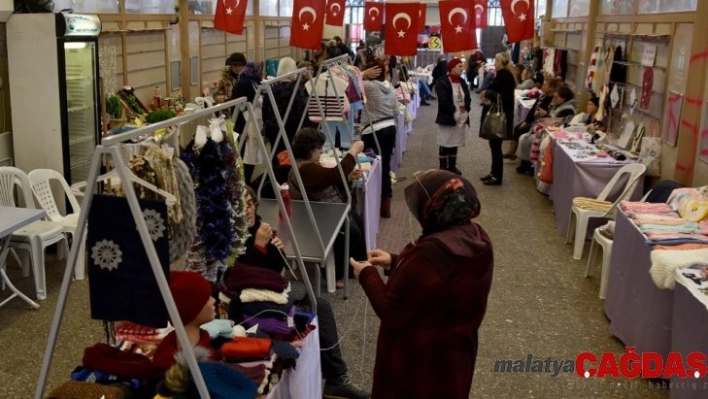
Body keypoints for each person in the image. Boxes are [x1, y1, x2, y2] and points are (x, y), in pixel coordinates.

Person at [349, 169, 493, 399]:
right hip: (456, 357)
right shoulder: (475, 236)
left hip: (418, 362)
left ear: (433, 207)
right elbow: (439, 280)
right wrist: (395, 261)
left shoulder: (432, 252)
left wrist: (366, 273)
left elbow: (391, 310)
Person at [223, 186, 370, 399]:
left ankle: (336, 377)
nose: (248, 209)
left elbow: (274, 270)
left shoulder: (258, 227)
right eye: (242, 205)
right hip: (248, 303)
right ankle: (336, 378)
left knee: (320, 305)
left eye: (250, 203)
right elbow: (235, 279)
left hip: (270, 292)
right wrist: (259, 248)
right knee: (316, 306)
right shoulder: (228, 237)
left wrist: (275, 250)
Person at [288, 128, 368, 287]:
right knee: (351, 231)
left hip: (325, 211)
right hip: (317, 217)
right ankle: (338, 273)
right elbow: (333, 176)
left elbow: (327, 180)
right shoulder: (305, 169)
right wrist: (353, 152)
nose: (321, 151)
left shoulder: (307, 166)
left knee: (356, 220)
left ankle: (356, 265)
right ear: (309, 149)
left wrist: (347, 177)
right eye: (319, 148)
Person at [260, 57, 316, 183]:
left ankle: (277, 184)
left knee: (277, 156)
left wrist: (267, 126)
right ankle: (291, 183)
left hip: (274, 129)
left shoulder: (271, 88)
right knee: (292, 158)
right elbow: (301, 112)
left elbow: (265, 111)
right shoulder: (297, 89)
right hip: (292, 129)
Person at [360, 57, 400, 218]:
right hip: (390, 127)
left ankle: (371, 202)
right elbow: (396, 111)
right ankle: (385, 206)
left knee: (371, 168)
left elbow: (347, 84)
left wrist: (362, 74)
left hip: (373, 130)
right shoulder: (389, 87)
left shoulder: (368, 86)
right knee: (385, 167)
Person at [479, 52, 518, 186]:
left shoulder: (505, 76)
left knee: (496, 146)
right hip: (499, 113)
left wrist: (487, 93)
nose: (494, 63)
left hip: (500, 116)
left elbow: (504, 97)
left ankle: (497, 176)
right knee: (494, 146)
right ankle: (494, 172)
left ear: (501, 62)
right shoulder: (503, 75)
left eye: (496, 61)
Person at [434, 57, 471, 175]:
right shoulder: (442, 82)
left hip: (460, 118)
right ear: (452, 68)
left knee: (455, 142)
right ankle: (443, 167)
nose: (462, 68)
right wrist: (454, 110)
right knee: (445, 142)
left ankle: (452, 166)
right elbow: (443, 101)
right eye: (459, 66)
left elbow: (468, 97)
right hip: (447, 117)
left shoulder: (462, 81)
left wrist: (466, 108)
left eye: (462, 66)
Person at [231, 62, 263, 185]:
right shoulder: (243, 84)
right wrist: (240, 128)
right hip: (246, 124)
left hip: (254, 124)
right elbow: (236, 107)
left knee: (252, 154)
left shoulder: (254, 83)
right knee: (246, 155)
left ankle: (247, 182)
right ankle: (245, 184)